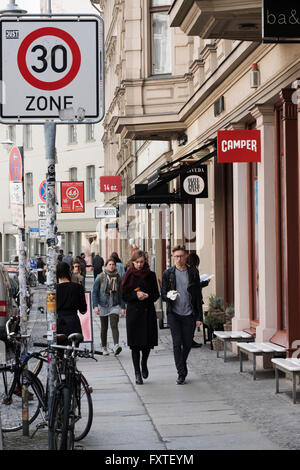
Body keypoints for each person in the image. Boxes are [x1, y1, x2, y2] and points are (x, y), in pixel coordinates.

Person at [161, 245, 203, 385]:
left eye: (181, 256)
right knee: (176, 343)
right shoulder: (168, 273)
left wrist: (199, 317)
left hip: (189, 313)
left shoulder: (193, 273)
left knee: (187, 344)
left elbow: (197, 295)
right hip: (174, 313)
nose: (179, 259)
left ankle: (181, 364)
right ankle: (181, 372)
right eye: (176, 256)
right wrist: (169, 296)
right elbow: (163, 294)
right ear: (173, 257)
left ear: (186, 257)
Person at [121, 250, 160, 385]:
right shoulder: (128, 275)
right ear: (133, 262)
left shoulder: (151, 275)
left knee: (147, 344)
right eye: (137, 262)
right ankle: (137, 373)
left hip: (148, 312)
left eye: (141, 262)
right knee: (135, 345)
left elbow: (156, 294)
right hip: (134, 314)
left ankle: (144, 363)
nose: (139, 265)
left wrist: (148, 296)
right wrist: (135, 295)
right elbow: (124, 295)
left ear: (145, 262)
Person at [92, 258, 125, 356]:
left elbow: (121, 293)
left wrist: (123, 307)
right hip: (103, 305)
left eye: (113, 264)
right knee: (104, 327)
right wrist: (95, 306)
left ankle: (116, 345)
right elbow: (95, 292)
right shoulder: (100, 277)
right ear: (106, 265)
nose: (111, 266)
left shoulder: (118, 278)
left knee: (114, 325)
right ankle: (104, 347)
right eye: (110, 264)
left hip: (114, 305)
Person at [56, 262, 87, 343]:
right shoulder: (78, 287)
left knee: (59, 351)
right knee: (73, 351)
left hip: (59, 323)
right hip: (73, 323)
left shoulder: (54, 290)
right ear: (69, 272)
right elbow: (83, 309)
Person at [186, 252, 211, 349]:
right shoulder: (194, 271)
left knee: (191, 319)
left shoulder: (187, 270)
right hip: (195, 298)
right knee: (194, 319)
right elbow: (196, 286)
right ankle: (189, 340)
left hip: (190, 297)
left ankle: (188, 340)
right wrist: (205, 282)